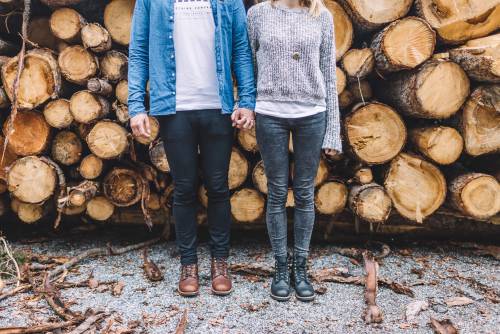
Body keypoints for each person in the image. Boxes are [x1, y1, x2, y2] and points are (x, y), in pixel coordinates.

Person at [128, 0, 256, 297]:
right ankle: (188, 264)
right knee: (184, 188)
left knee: (218, 187)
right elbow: (138, 51)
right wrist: (136, 105)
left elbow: (240, 48)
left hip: (218, 107)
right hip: (175, 108)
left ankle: (220, 262)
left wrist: (247, 100)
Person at [247, 0, 342, 301]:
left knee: (304, 192)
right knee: (276, 191)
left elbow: (328, 73)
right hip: (270, 113)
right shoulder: (258, 14)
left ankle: (300, 267)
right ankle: (279, 266)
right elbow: (249, 64)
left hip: (312, 113)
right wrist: (249, 104)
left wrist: (332, 131)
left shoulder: (321, 15)